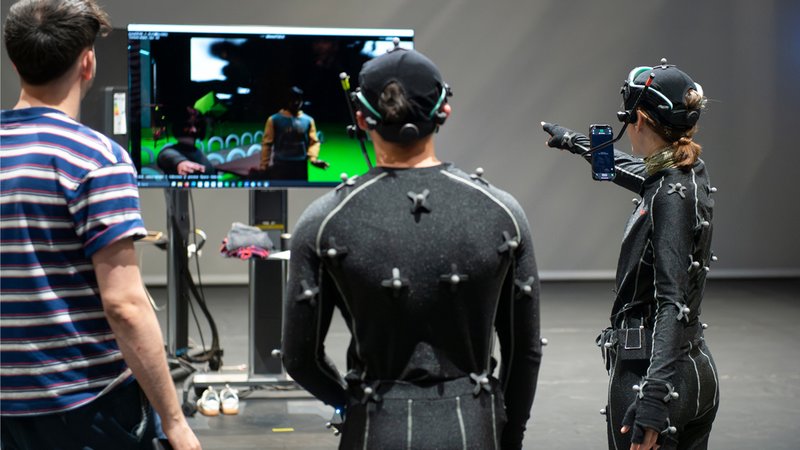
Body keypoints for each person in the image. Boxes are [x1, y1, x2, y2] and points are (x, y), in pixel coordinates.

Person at [281, 47, 542, 449]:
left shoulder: (324, 221)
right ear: (444, 112)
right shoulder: (503, 213)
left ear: (361, 118)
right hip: (473, 429)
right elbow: (524, 352)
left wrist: (350, 403)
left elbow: (300, 359)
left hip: (373, 429)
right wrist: (509, 434)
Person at [0, 1, 201, 449]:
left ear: (15, 62)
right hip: (82, 408)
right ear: (88, 62)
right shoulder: (96, 159)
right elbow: (124, 306)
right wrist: (175, 423)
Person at [542, 59, 719, 450]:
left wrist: (653, 399)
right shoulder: (687, 173)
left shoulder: (668, 197)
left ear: (637, 119)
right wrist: (575, 141)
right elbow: (638, 171)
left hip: (650, 375)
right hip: (695, 369)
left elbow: (671, 302)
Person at [259, 86, 329, 179]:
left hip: (300, 166)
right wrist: (264, 165)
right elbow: (267, 144)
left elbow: (314, 142)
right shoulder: (274, 119)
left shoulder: (308, 120)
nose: (296, 102)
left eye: (298, 99)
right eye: (292, 99)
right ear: (287, 100)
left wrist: (313, 158)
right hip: (280, 165)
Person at [157, 106, 216, 175]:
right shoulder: (169, 151)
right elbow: (166, 155)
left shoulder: (196, 150)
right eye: (187, 125)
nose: (194, 130)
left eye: (196, 125)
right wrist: (181, 162)